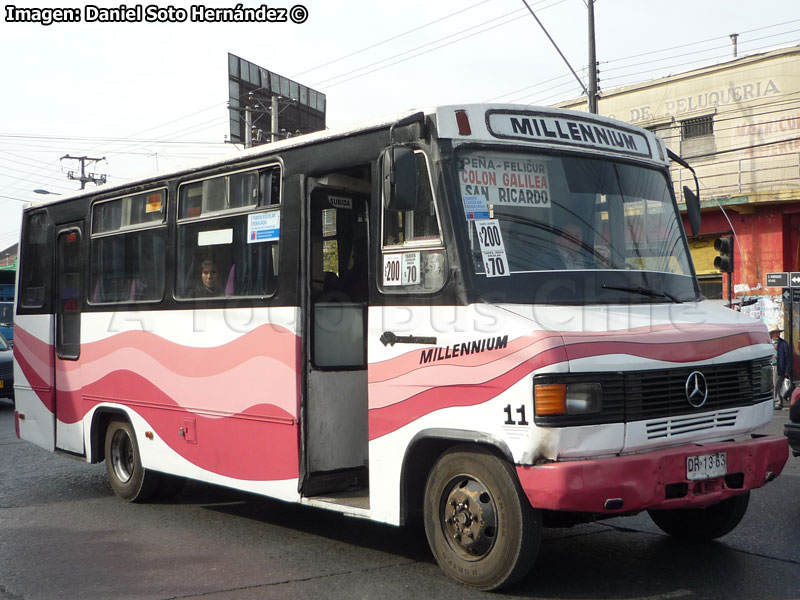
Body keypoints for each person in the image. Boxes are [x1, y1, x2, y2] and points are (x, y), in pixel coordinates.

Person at [771, 324, 792, 409]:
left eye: (778, 333)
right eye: (776, 333)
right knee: (771, 385)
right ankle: (774, 401)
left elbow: (788, 358)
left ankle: (777, 402)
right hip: (770, 366)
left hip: (778, 367)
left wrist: (787, 370)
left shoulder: (783, 344)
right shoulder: (769, 343)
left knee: (777, 385)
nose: (777, 334)